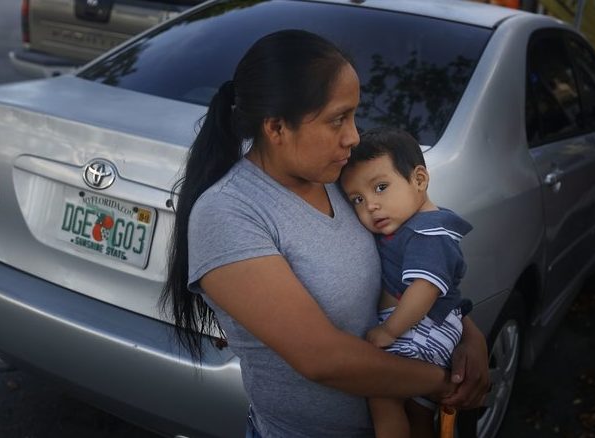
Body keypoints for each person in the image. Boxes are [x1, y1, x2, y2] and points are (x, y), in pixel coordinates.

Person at [160, 29, 489, 437]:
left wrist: (468, 337)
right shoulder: (230, 212)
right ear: (277, 128)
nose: (353, 135)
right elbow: (321, 359)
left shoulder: (344, 180)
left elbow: (415, 260)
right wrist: (444, 384)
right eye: (338, 119)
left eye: (353, 115)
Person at [339, 128, 473, 438]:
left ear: (419, 180)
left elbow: (424, 289)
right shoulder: (416, 227)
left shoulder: (426, 234)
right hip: (425, 331)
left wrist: (389, 331)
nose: (370, 205)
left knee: (381, 395)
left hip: (417, 331)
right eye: (358, 199)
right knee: (418, 412)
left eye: (381, 187)